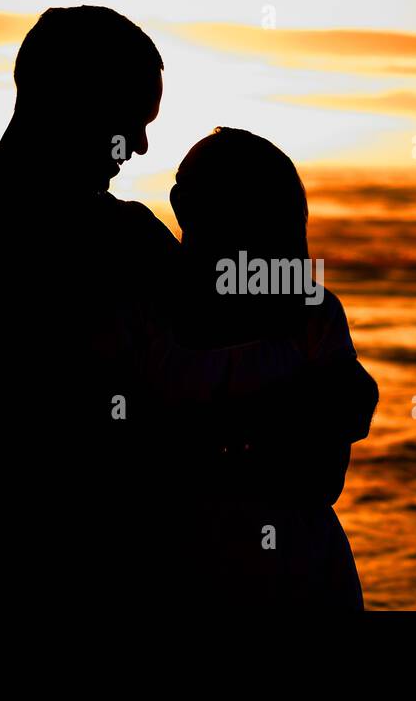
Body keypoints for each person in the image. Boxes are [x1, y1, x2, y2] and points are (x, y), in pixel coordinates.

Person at [0, 7, 377, 611]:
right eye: (131, 119)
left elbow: (267, 338)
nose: (138, 145)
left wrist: (334, 391)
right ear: (70, 97)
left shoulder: (131, 237)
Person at [149, 127, 367, 609]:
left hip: (277, 565)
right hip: (279, 560)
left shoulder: (311, 311)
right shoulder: (146, 305)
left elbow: (323, 476)